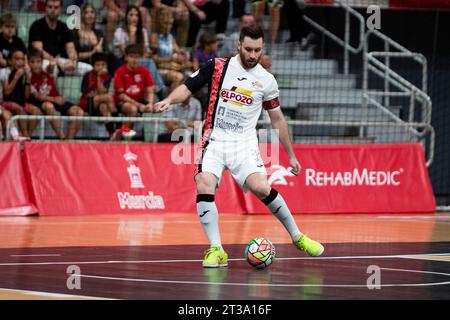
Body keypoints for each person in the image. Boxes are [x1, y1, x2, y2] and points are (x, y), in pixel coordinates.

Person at [154, 24, 324, 268]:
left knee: (262, 188)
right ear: (238, 46)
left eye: (257, 50)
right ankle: (216, 249)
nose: (253, 55)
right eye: (248, 49)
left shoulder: (267, 80)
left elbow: (277, 119)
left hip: (244, 144)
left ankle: (298, 237)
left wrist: (291, 156)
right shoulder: (217, 67)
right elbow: (187, 87)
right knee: (204, 182)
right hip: (214, 139)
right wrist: (169, 100)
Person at [27, 48, 84, 140]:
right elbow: (38, 97)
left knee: (79, 112)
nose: (35, 65)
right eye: (32, 62)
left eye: (38, 62)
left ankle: (68, 140)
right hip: (43, 102)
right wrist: (55, 99)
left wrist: (52, 63)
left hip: (56, 99)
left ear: (42, 62)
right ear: (28, 63)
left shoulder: (46, 72)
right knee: (48, 106)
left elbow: (50, 69)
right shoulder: (28, 76)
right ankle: (62, 137)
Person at [28, 0, 93, 77]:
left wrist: (73, 62)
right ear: (45, 8)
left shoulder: (64, 27)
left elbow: (71, 49)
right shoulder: (37, 26)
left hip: (61, 60)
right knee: (53, 69)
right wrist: (57, 61)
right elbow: (39, 51)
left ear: (60, 9)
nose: (53, 10)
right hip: (42, 61)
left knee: (89, 69)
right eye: (50, 7)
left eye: (56, 7)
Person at [0, 48, 42, 139]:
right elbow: (7, 92)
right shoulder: (4, 72)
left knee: (37, 111)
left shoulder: (24, 73)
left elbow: (26, 96)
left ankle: (28, 136)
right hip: (4, 102)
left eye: (22, 59)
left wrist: (27, 80)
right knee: (18, 108)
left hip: (19, 101)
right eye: (17, 59)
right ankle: (25, 135)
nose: (20, 62)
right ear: (10, 61)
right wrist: (16, 77)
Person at [113, 44, 155, 133]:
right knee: (133, 109)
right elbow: (121, 95)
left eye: (137, 57)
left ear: (140, 58)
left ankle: (149, 139)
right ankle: (125, 136)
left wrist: (150, 103)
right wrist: (138, 105)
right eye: (131, 57)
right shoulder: (120, 71)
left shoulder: (144, 71)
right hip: (123, 102)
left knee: (155, 108)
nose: (134, 60)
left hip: (140, 100)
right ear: (126, 57)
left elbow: (150, 90)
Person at [73, 3, 122, 76]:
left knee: (111, 57)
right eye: (86, 12)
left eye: (92, 12)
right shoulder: (75, 32)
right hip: (85, 62)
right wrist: (93, 52)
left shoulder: (99, 33)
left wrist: (101, 50)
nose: (90, 15)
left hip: (100, 62)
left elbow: (106, 50)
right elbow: (75, 55)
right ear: (82, 15)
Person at [79, 52, 119, 139]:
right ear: (93, 66)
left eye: (103, 64)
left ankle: (112, 134)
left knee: (104, 107)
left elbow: (103, 92)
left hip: (101, 104)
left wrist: (99, 78)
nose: (100, 67)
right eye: (98, 65)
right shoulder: (87, 75)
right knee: (107, 97)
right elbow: (86, 94)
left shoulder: (108, 76)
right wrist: (98, 77)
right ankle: (120, 125)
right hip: (88, 105)